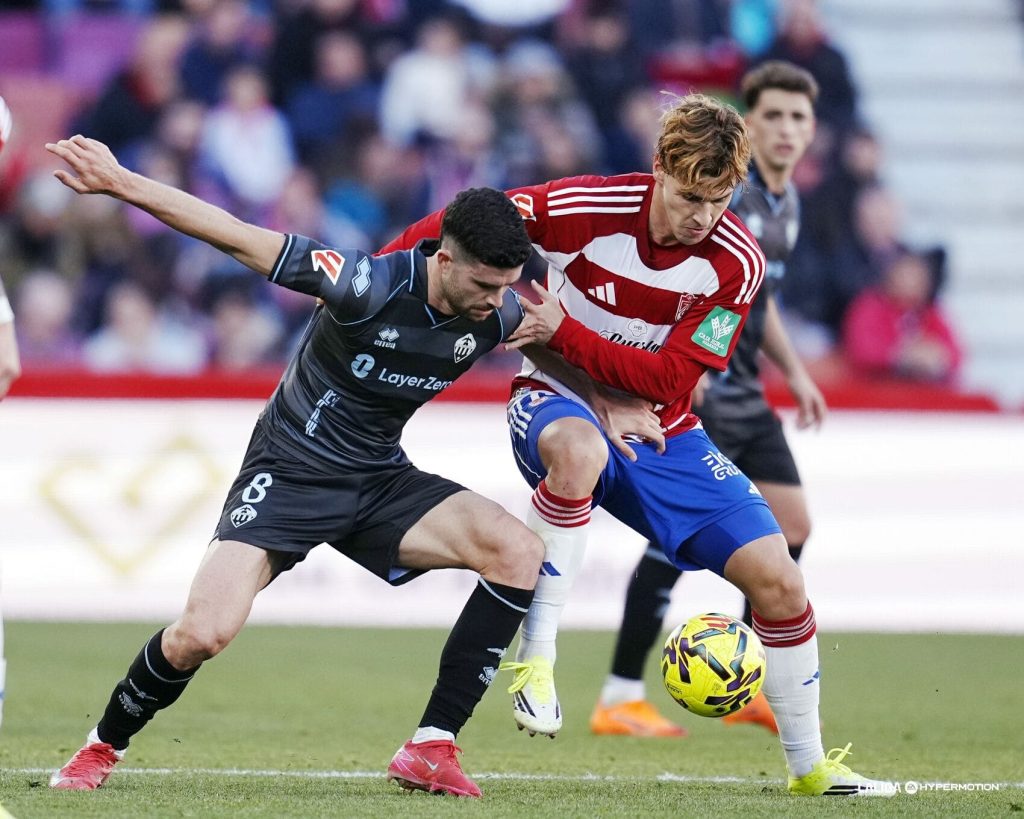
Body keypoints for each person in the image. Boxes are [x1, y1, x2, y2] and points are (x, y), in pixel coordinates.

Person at [383, 93, 893, 796]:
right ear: (658, 167)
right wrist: (374, 277)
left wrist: (561, 329)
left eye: (718, 199)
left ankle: (808, 766)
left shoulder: (735, 261)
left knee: (780, 578)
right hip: (554, 399)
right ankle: (538, 656)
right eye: (689, 195)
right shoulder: (587, 208)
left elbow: (668, 377)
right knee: (580, 454)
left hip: (664, 429)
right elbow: (467, 218)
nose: (702, 216)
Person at [44, 134, 544, 799]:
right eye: (485, 283)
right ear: (444, 258)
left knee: (518, 550)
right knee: (201, 633)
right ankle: (100, 746)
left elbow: (555, 334)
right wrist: (122, 182)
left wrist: (611, 404)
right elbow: (233, 234)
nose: (495, 300)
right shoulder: (363, 283)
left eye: (505, 287)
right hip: (290, 471)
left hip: (378, 478)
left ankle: (431, 745)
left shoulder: (497, 310)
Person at [590, 62, 826, 739]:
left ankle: (746, 670)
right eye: (773, 116)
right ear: (748, 127)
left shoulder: (787, 207)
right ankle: (619, 692)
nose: (787, 129)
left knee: (794, 526)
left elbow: (763, 298)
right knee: (675, 540)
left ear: (812, 130)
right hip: (706, 389)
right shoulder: (723, 197)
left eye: (799, 118)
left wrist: (796, 372)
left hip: (749, 389)